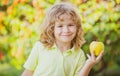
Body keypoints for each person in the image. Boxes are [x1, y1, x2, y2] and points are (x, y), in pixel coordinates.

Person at [21, 2, 104, 76]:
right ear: (51, 29)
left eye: (70, 25)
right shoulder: (40, 47)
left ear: (77, 27)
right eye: (60, 26)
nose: (66, 30)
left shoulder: (79, 55)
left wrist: (89, 64)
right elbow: (28, 73)